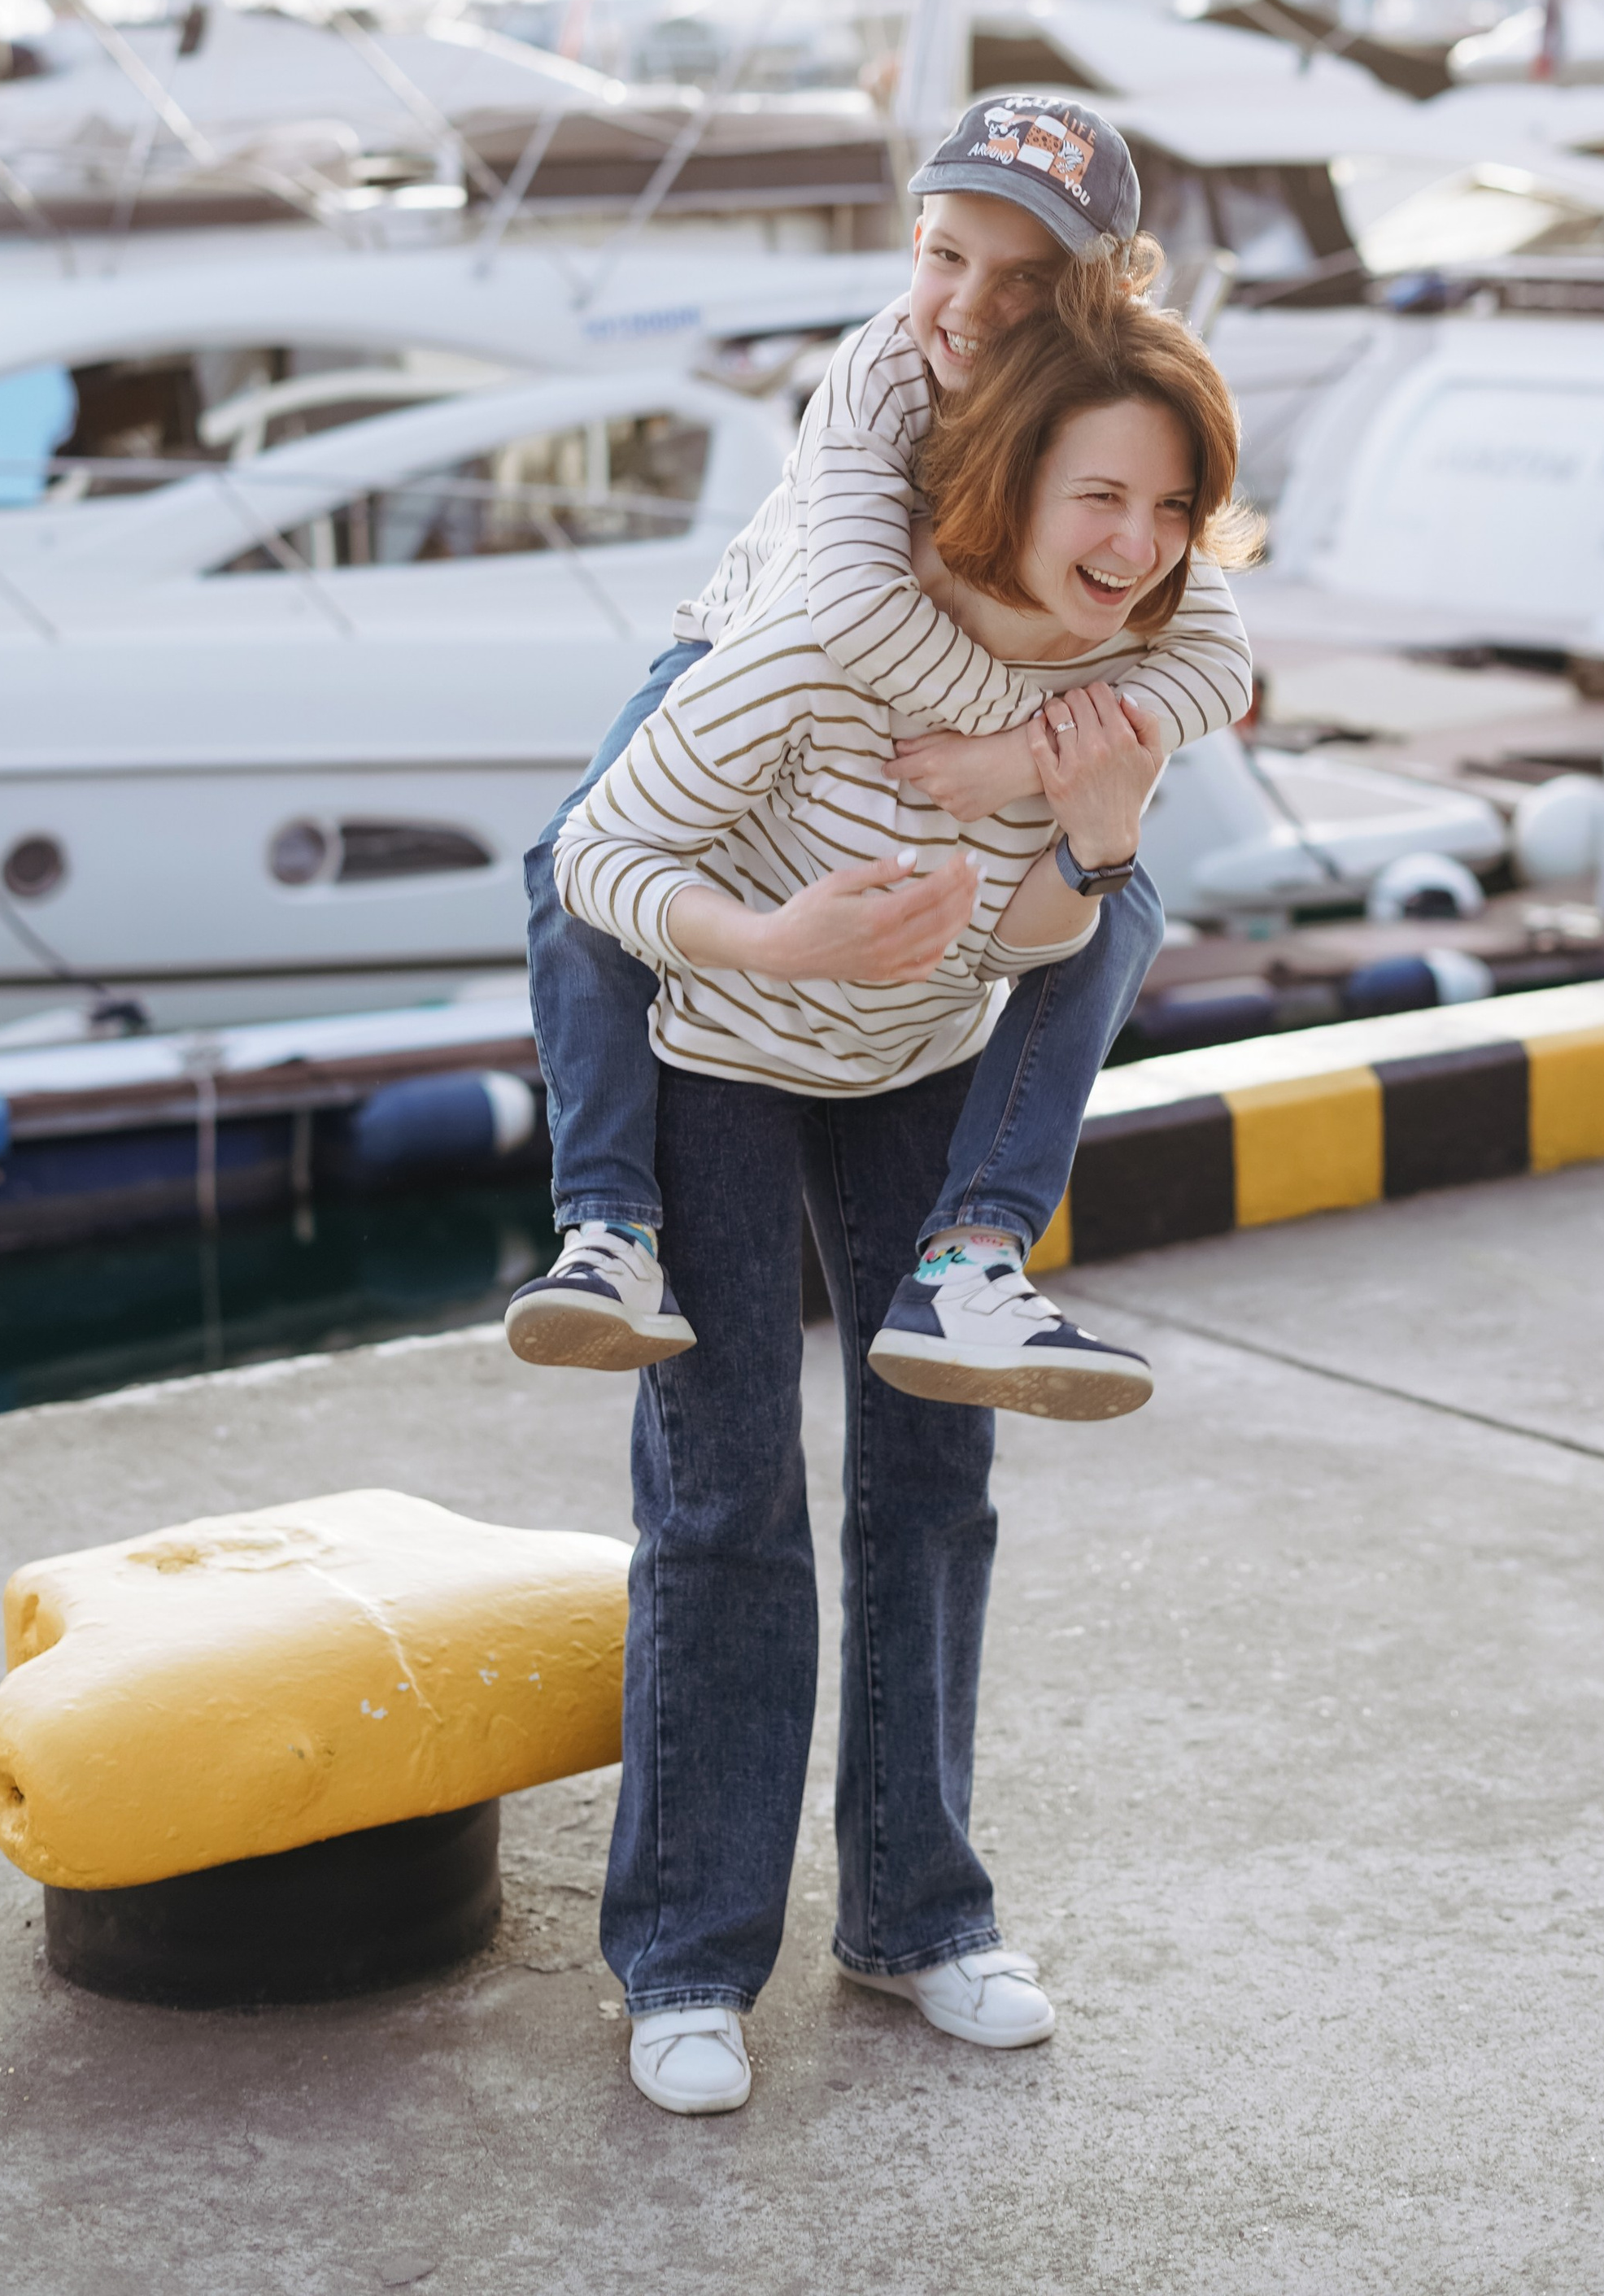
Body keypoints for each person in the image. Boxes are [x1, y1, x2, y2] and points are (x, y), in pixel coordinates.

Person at [549, 276, 1257, 2112]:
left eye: (1169, 509)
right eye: (1101, 496)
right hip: (719, 1049)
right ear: (1008, 480)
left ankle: (919, 1918)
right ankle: (688, 1957)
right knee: (724, 1505)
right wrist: (772, 931)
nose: (1136, 544)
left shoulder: (1122, 690)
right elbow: (590, 853)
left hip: (917, 1058)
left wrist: (1087, 828)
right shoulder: (824, 632)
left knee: (933, 1479)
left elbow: (1046, 945)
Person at [512, 92, 1253, 1405]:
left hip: (953, 715)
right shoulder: (882, 370)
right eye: (944, 255)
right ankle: (608, 1223)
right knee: (567, 869)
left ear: (1095, 293)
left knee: (1118, 883)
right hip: (750, 646)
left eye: (1023, 278)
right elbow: (848, 612)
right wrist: (1009, 734)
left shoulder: (1118, 413)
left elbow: (1215, 662)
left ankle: (982, 1250)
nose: (967, 304)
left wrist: (1031, 768)